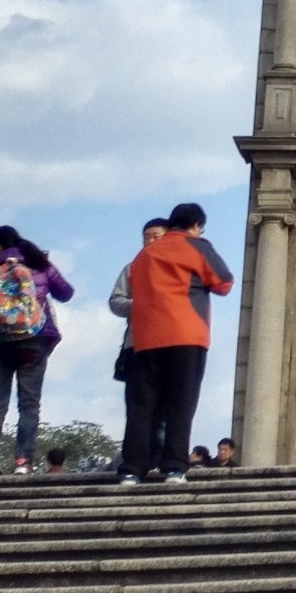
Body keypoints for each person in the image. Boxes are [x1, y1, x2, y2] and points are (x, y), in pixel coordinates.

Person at [120, 203, 233, 484]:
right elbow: (224, 283)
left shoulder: (144, 254)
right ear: (195, 224)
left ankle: (132, 469)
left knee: (142, 406)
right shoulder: (196, 245)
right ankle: (174, 467)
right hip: (186, 333)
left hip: (145, 338)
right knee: (181, 404)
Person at [0, 226, 76, 477]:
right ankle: (23, 462)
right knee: (29, 405)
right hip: (34, 340)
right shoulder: (40, 264)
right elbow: (66, 293)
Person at [109, 217, 168, 472]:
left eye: (156, 236)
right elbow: (116, 301)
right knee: (137, 407)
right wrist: (139, 306)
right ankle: (137, 460)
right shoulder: (132, 268)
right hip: (137, 345)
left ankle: (160, 459)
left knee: (164, 410)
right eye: (147, 237)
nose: (151, 241)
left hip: (169, 347)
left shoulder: (175, 269)